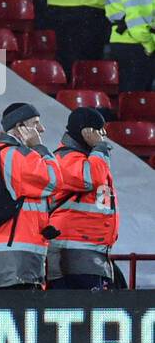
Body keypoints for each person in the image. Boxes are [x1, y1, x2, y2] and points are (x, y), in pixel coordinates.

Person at [0, 102, 60, 289]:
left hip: (2, 254)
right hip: (17, 259)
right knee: (20, 315)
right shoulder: (16, 155)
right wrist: (39, 148)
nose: (41, 129)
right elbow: (53, 181)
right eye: (35, 123)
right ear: (20, 127)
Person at [47, 107, 118, 288]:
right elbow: (90, 179)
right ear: (86, 132)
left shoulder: (93, 159)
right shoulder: (64, 158)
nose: (104, 135)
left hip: (91, 253)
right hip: (71, 254)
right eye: (99, 130)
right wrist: (100, 147)